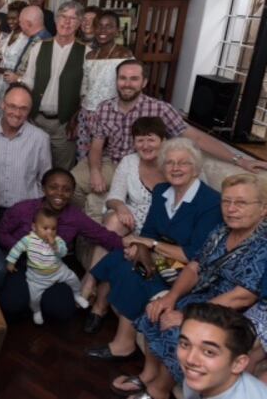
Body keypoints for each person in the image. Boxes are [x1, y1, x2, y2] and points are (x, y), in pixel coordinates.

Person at [107, 173, 267, 398]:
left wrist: (191, 316)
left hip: (233, 313)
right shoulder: (222, 231)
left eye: (240, 203)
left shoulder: (263, 244)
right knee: (157, 311)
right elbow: (194, 267)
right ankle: (146, 375)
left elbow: (242, 297)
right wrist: (170, 298)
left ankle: (157, 391)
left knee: (179, 333)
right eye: (226, 201)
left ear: (263, 209)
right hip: (204, 295)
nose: (231, 209)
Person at [73, 60, 267, 219]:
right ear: (116, 81)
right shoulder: (104, 108)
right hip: (112, 163)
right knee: (71, 182)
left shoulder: (160, 109)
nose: (127, 84)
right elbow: (96, 147)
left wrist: (239, 159)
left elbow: (197, 137)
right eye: (123, 78)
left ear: (144, 83)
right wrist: (95, 171)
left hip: (145, 165)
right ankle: (80, 226)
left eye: (134, 79)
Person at [90, 138, 223, 362]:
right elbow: (149, 231)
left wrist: (149, 246)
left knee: (133, 272)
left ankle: (122, 342)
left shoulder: (210, 201)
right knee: (123, 259)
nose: (175, 168)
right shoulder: (162, 191)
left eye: (183, 163)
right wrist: (140, 247)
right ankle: (115, 329)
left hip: (187, 271)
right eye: (169, 163)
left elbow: (194, 254)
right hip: (160, 259)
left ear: (196, 169)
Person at [0, 168, 123, 321]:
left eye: (66, 190)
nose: (59, 194)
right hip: (21, 264)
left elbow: (103, 235)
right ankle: (30, 300)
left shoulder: (74, 217)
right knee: (11, 305)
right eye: (53, 187)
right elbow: (2, 232)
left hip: (50, 269)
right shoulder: (24, 209)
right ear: (44, 188)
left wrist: (132, 246)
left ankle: (37, 299)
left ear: (72, 193)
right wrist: (26, 249)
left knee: (63, 310)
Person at [82, 117, 167, 334]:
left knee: (118, 248)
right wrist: (120, 206)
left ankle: (97, 303)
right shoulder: (129, 162)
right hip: (130, 221)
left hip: (158, 231)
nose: (145, 145)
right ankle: (91, 285)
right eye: (140, 140)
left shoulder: (173, 164)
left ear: (163, 141)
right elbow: (114, 197)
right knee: (112, 221)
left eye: (151, 140)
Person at [18, 0, 86, 169]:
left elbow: (86, 93)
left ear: (79, 24)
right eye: (63, 16)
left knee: (62, 170)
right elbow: (28, 81)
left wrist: (76, 120)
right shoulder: (39, 47)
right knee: (31, 165)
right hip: (36, 120)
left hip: (64, 125)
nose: (67, 22)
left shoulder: (86, 52)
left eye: (73, 18)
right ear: (56, 20)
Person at [0, 84, 50, 219]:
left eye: (23, 108)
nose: (17, 113)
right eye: (12, 106)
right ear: (2, 104)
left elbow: (45, 180)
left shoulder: (40, 139)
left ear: (30, 110)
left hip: (25, 213)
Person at [6, 207, 89, 324]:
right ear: (34, 227)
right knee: (34, 298)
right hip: (37, 277)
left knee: (74, 279)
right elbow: (17, 249)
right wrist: (11, 262)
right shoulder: (28, 240)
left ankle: (77, 295)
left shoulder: (58, 240)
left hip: (58, 271)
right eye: (45, 228)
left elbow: (63, 253)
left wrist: (55, 246)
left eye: (53, 229)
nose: (50, 232)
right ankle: (36, 311)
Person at [76, 10, 134, 160]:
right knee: (84, 159)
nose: (103, 31)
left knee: (108, 161)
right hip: (86, 115)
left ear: (117, 30)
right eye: (99, 26)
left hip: (111, 117)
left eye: (109, 26)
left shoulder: (124, 55)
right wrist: (76, 115)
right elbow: (84, 88)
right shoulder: (90, 56)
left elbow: (130, 89)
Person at [181, 303, 267, 399]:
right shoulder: (200, 377)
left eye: (209, 352)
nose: (190, 359)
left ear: (238, 363)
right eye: (185, 344)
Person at [0, 0, 30, 103]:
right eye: (8, 18)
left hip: (17, 86)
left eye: (14, 18)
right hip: (3, 85)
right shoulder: (11, 34)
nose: (10, 21)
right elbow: (1, 55)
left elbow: (27, 68)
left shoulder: (27, 39)